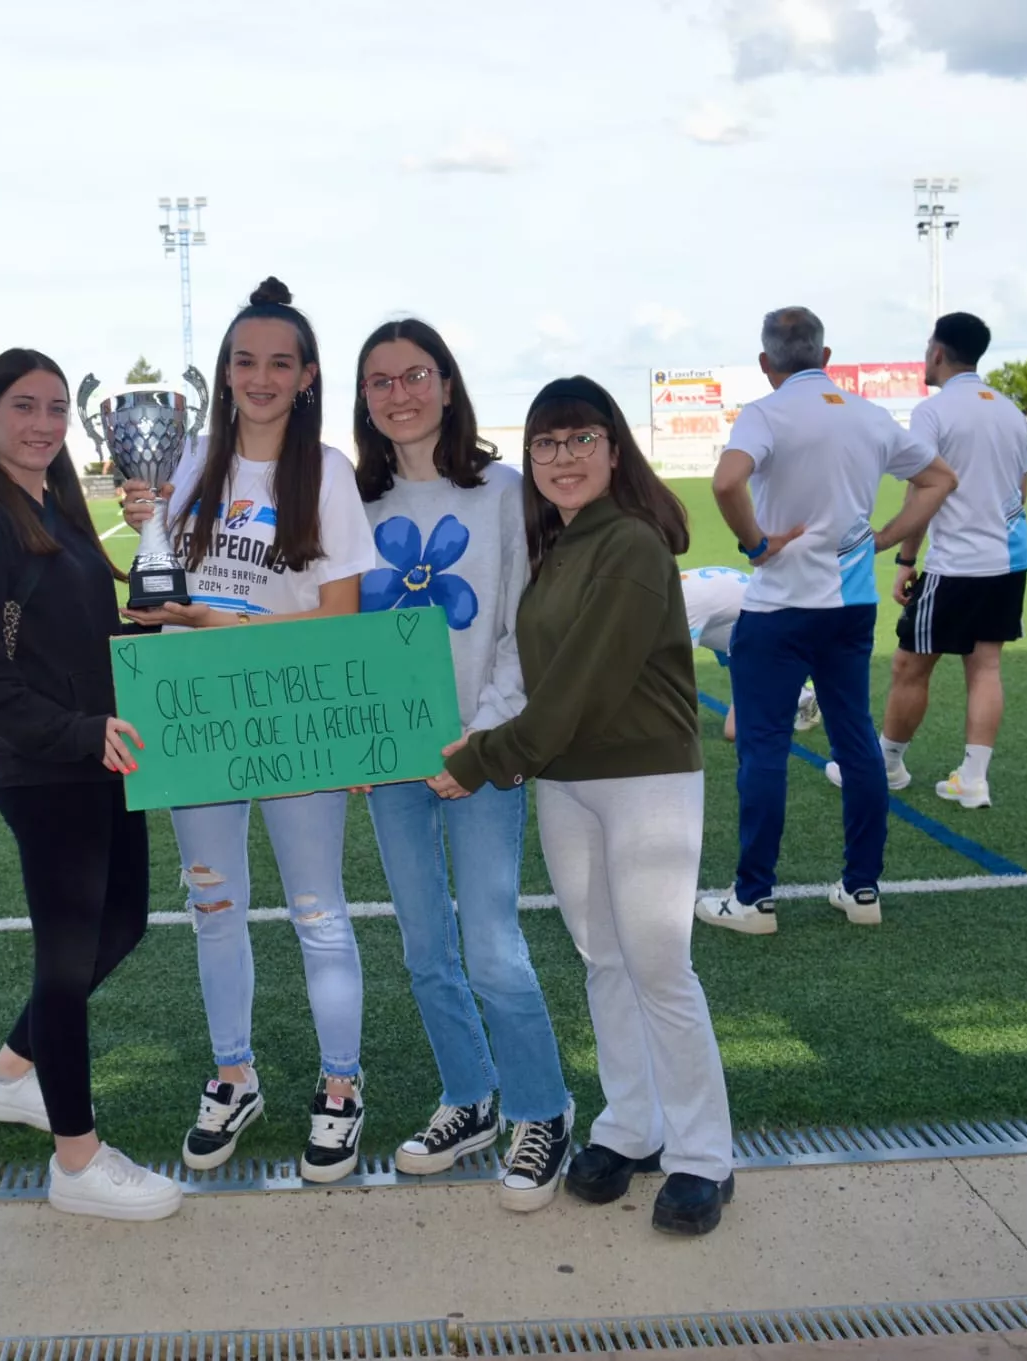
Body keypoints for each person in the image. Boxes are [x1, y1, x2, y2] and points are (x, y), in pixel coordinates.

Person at [439, 376, 735, 1235]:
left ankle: (703, 1154)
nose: (562, 459)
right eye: (546, 444)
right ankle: (631, 1125)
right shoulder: (559, 547)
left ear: (614, 448)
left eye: (580, 440)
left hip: (644, 780)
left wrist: (483, 757)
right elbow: (538, 683)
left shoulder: (634, 545)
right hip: (567, 783)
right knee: (603, 958)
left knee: (658, 966)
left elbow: (579, 689)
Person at [120, 277, 378, 1183]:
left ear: (307, 376)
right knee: (214, 907)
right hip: (198, 715)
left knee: (316, 910)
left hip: (294, 711)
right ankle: (235, 1075)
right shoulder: (189, 461)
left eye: (279, 362)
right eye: (244, 361)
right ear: (224, 374)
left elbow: (343, 619)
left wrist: (217, 627)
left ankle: (340, 1088)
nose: (260, 378)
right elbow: (160, 599)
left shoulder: (331, 473)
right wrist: (149, 545)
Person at [0, 347, 181, 1222]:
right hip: (51, 768)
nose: (42, 424)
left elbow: (83, 635)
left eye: (53, 409)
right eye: (23, 407)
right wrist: (80, 731)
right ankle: (76, 1161)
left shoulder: (59, 504)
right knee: (68, 957)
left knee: (124, 924)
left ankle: (10, 1075)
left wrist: (151, 633)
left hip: (104, 756)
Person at [352, 318, 574, 1212]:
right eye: (380, 382)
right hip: (392, 764)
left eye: (415, 375)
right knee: (423, 948)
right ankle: (470, 1095)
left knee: (493, 948)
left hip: (482, 757)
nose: (398, 394)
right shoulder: (353, 506)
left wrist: (480, 743)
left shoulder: (502, 493)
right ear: (363, 401)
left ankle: (544, 1108)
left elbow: (523, 628)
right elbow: (342, 638)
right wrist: (359, 739)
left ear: (447, 385)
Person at [696, 308, 956, 937]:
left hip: (778, 607)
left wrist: (756, 545)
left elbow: (727, 481)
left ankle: (755, 899)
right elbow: (939, 478)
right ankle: (862, 889)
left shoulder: (765, 412)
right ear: (826, 354)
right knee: (856, 741)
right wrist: (887, 535)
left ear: (766, 363)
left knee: (763, 748)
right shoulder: (868, 416)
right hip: (849, 608)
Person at [823, 313, 1027, 811]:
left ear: (938, 352)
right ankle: (973, 779)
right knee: (985, 667)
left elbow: (924, 490)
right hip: (1009, 557)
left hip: (957, 562)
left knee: (909, 666)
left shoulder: (933, 414)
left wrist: (900, 555)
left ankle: (887, 765)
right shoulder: (1010, 411)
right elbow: (1022, 492)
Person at [680, 564, 819, 742]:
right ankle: (786, 685)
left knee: (734, 731)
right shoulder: (674, 591)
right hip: (742, 621)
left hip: (769, 628)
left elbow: (677, 673)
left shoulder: (687, 607)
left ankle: (804, 695)